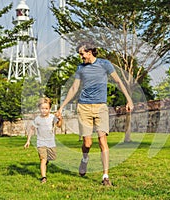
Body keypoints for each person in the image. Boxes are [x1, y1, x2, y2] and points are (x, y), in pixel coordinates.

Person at [56, 41, 134, 186]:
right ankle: (85, 158)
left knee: (102, 140)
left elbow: (118, 81)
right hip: (84, 107)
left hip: (100, 107)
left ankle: (105, 176)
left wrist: (129, 99)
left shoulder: (105, 64)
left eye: (82, 54)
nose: (81, 57)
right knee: (87, 143)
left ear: (90, 52)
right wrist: (62, 107)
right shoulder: (80, 68)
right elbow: (74, 88)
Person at [24, 97, 62, 184]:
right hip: (41, 142)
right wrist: (28, 141)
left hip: (51, 142)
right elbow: (32, 129)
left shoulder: (52, 117)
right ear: (39, 109)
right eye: (42, 108)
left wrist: (60, 119)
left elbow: (59, 125)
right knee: (42, 159)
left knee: (53, 157)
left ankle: (47, 160)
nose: (44, 110)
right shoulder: (37, 119)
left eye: (46, 108)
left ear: (49, 109)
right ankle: (43, 177)